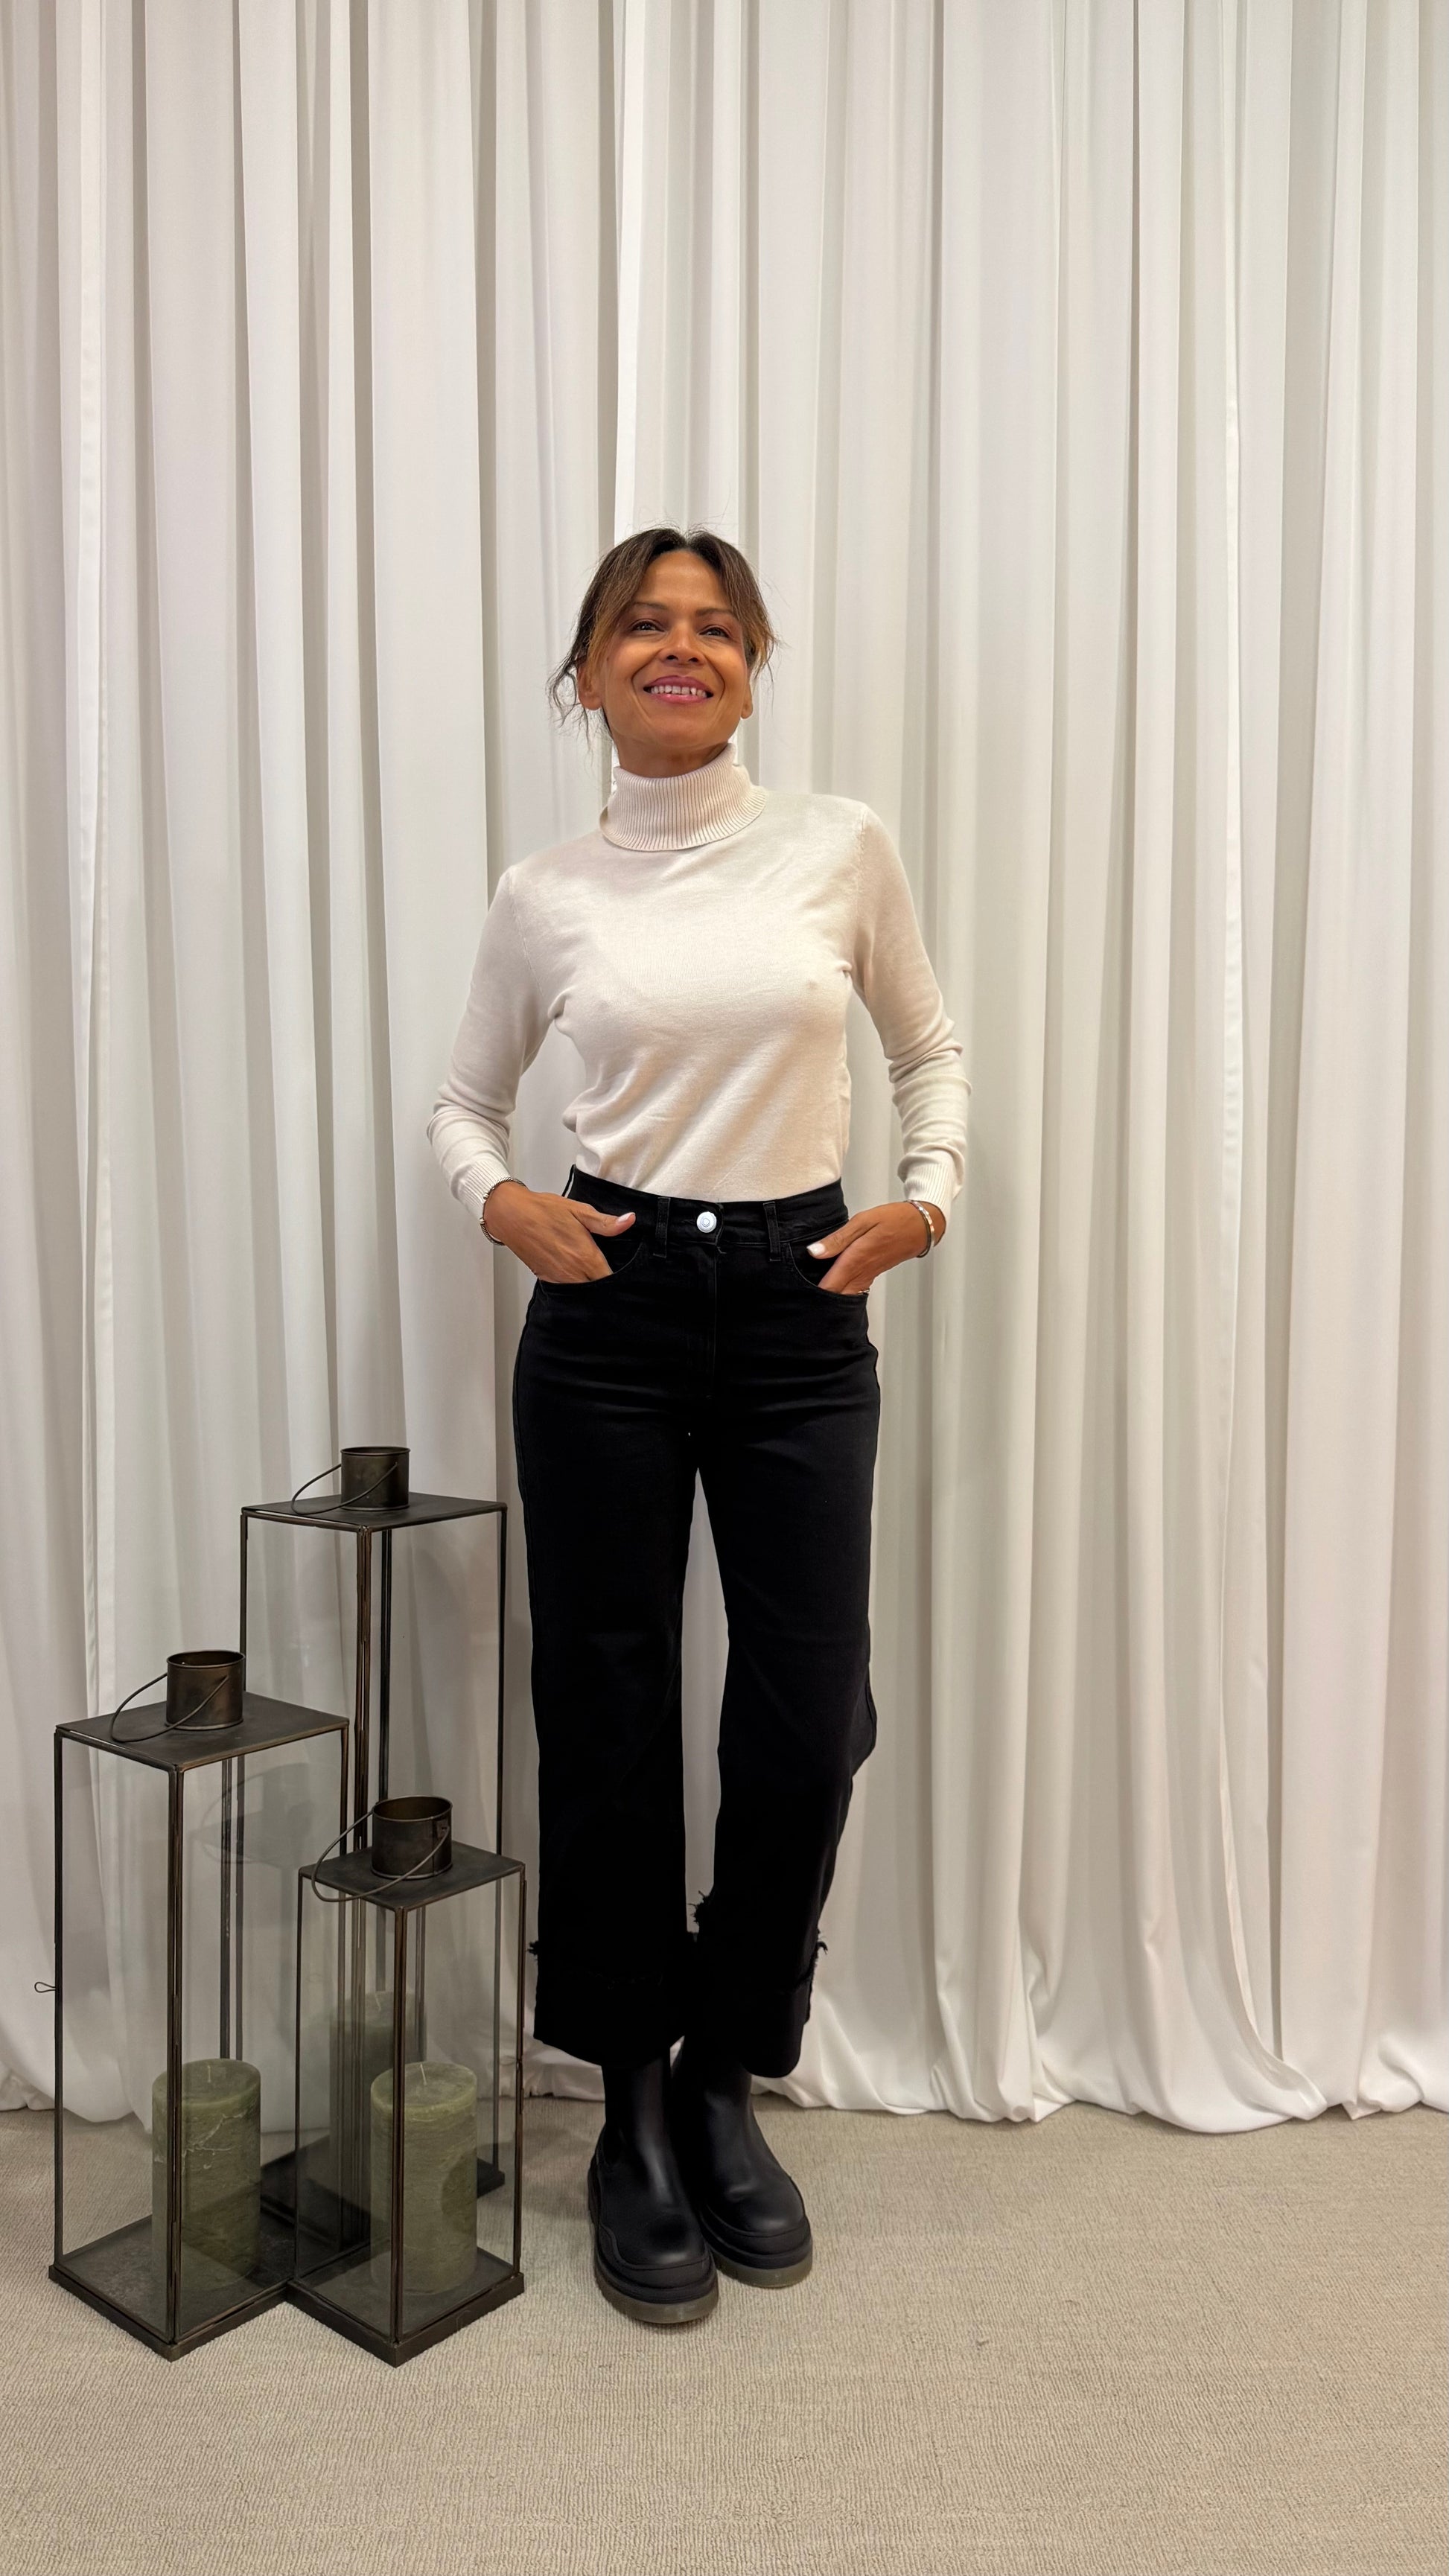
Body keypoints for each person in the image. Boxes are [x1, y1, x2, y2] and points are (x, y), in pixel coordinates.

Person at [428, 526, 969, 2327]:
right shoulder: (546, 892)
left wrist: (926, 1196)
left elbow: (928, 1047)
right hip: (611, 1309)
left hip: (802, 1305)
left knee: (804, 1709)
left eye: (715, 626)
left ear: (752, 662)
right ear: (587, 671)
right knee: (605, 1704)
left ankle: (729, 2068)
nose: (682, 647)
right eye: (645, 626)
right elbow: (463, 1099)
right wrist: (504, 1202)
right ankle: (631, 2099)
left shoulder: (838, 845)